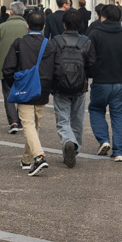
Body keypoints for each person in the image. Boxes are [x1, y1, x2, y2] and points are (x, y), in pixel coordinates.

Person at [0, 9, 52, 175]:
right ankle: (26, 159)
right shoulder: (49, 44)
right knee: (34, 125)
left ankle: (39, 157)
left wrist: (13, 84)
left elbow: (7, 68)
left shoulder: (19, 43)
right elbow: (56, 68)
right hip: (43, 89)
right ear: (44, 26)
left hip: (24, 89)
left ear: (27, 26)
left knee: (28, 124)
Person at [87, 3, 122, 162]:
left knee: (95, 109)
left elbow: (89, 58)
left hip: (100, 81)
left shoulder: (95, 34)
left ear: (103, 17)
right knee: (120, 116)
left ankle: (103, 140)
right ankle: (118, 151)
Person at [49, 9, 95, 166]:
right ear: (80, 24)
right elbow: (91, 66)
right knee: (77, 120)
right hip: (79, 87)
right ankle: (73, 149)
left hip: (60, 86)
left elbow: (50, 65)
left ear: (64, 24)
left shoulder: (56, 41)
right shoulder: (86, 42)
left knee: (62, 119)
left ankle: (68, 142)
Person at [0, 5, 31, 133]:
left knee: (8, 95)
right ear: (23, 13)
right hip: (24, 66)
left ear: (11, 12)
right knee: (23, 94)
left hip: (5, 67)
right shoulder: (27, 27)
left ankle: (13, 122)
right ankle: (22, 120)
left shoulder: (1, 27)